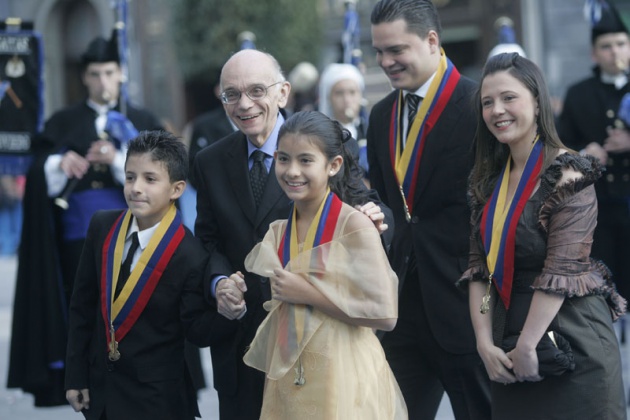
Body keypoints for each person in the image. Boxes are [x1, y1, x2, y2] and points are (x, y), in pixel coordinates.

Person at [192, 48, 393, 420]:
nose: (244, 104)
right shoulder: (210, 161)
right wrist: (218, 281)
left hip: (316, 346)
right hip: (242, 346)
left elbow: (370, 209)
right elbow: (207, 239)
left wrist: (375, 221)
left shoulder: (325, 142)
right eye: (231, 94)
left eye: (256, 91)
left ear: (283, 93)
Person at [461, 51, 626, 419]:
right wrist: (484, 342)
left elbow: (563, 269)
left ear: (537, 101)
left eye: (508, 98)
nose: (497, 110)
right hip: (509, 346)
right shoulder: (488, 182)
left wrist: (528, 345)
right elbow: (479, 272)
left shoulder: (569, 173)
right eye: (487, 102)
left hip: (570, 342)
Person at [7, 32, 164, 407]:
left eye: (110, 72)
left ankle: (133, 373)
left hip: (134, 236)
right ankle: (85, 375)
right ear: (85, 78)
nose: (103, 82)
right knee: (84, 306)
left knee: (132, 304)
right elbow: (37, 173)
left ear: (122, 73)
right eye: (95, 74)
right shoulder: (62, 122)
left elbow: (166, 178)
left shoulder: (142, 120)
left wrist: (117, 162)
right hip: (76, 238)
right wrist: (58, 164)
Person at [367, 1, 491, 418]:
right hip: (404, 310)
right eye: (379, 52)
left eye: (396, 50)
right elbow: (391, 200)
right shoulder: (381, 115)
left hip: (468, 307)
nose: (386, 62)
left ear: (432, 41)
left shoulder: (481, 106)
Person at [242, 111, 407, 419]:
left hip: (347, 374)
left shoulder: (354, 225)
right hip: (291, 379)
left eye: (306, 160)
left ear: (333, 165)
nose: (292, 171)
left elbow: (385, 313)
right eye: (284, 159)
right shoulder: (278, 231)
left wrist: (307, 293)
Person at [64, 130, 218, 419]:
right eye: (130, 176)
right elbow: (81, 307)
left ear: (176, 189)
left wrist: (227, 309)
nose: (136, 188)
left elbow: (197, 331)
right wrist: (75, 375)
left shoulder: (190, 253)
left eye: (150, 179)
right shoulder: (102, 226)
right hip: (102, 393)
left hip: (157, 400)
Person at [557, 0, 630, 308]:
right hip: (598, 211)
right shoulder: (579, 93)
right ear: (594, 53)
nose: (614, 52)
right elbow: (560, 149)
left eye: (621, 43)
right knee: (605, 292)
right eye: (606, 46)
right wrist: (587, 152)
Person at [318, 63, 370, 176]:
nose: (347, 100)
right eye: (339, 93)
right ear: (328, 97)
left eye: (352, 92)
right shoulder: (320, 135)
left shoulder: (371, 129)